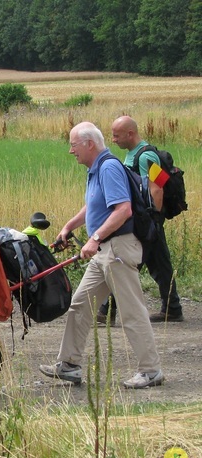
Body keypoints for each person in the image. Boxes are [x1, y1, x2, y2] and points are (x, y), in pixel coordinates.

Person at [39, 122, 164, 389]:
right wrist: (69, 227)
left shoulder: (108, 168)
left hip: (118, 248)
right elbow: (93, 204)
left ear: (89, 144)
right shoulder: (96, 170)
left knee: (132, 311)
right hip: (106, 251)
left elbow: (123, 210)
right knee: (81, 305)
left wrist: (94, 239)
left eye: (73, 145)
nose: (71, 151)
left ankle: (151, 371)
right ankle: (69, 365)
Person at [97, 115, 183, 325]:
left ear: (130, 134)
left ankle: (107, 311)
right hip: (146, 221)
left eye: (117, 136)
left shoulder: (146, 157)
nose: (113, 140)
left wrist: (153, 221)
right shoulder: (134, 155)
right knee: (160, 264)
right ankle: (172, 308)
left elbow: (157, 189)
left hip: (147, 222)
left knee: (125, 263)